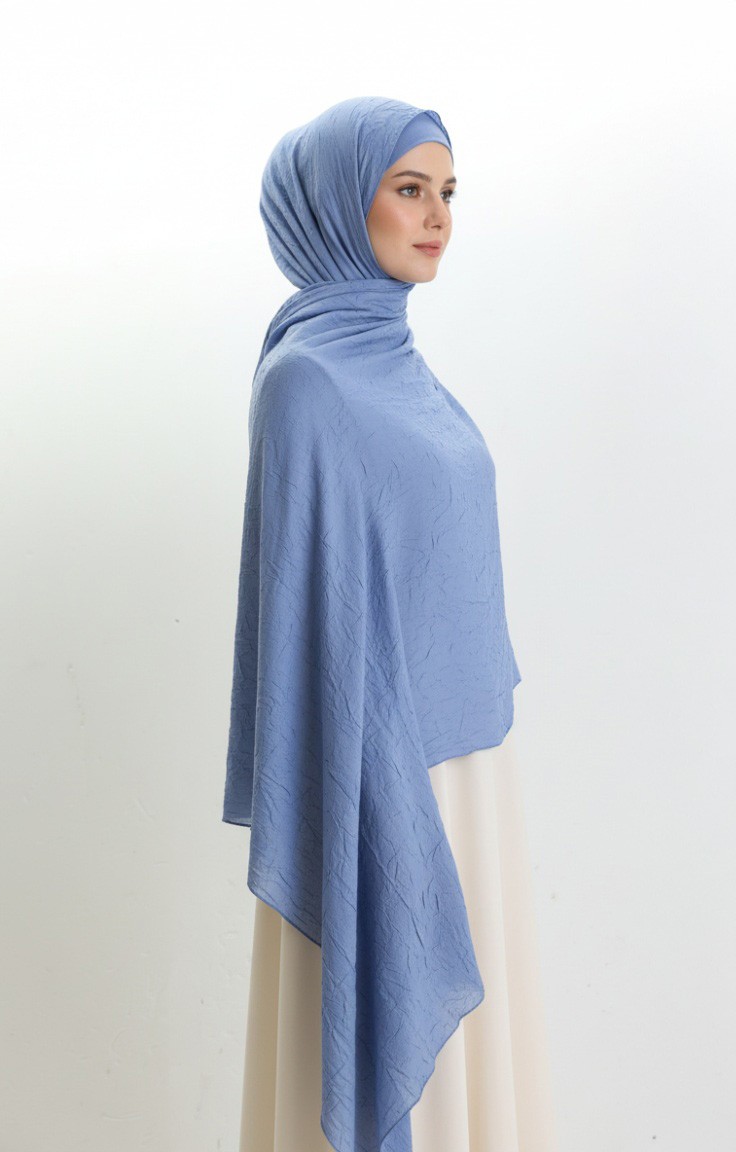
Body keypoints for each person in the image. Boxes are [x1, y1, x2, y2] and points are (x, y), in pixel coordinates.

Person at [222, 96, 559, 1152]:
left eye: (447, 192)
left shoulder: (406, 369)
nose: (438, 217)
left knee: (475, 1045)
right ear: (334, 204)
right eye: (409, 190)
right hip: (375, 766)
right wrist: (372, 775)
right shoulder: (305, 382)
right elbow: (313, 624)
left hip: (468, 766)